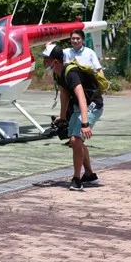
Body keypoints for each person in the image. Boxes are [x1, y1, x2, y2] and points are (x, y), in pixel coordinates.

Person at [42, 43, 103, 191]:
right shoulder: (58, 73)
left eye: (46, 60)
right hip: (78, 107)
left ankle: (77, 179)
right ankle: (89, 175)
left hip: (92, 105)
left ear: (55, 61)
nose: (44, 63)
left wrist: (85, 124)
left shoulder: (71, 73)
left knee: (76, 140)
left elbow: (81, 96)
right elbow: (64, 95)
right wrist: (62, 117)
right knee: (75, 141)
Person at [61, 30, 103, 146]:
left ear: (83, 40)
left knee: (84, 109)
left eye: (78, 38)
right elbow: (55, 55)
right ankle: (73, 137)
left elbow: (98, 69)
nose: (75, 41)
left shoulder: (89, 53)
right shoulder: (66, 52)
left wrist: (102, 85)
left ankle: (78, 138)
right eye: (73, 38)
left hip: (88, 91)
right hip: (72, 90)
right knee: (72, 111)